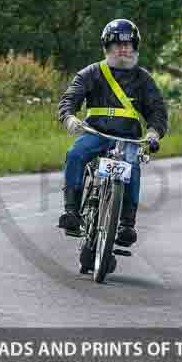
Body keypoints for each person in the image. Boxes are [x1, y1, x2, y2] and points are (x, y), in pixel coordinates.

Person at [57, 19, 167, 247]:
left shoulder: (144, 79)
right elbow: (70, 97)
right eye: (118, 44)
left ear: (135, 47)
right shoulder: (92, 72)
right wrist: (69, 117)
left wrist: (155, 132)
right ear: (107, 47)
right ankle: (72, 212)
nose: (124, 49)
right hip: (95, 133)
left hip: (128, 138)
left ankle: (127, 225)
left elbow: (157, 109)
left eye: (128, 45)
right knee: (75, 154)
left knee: (133, 168)